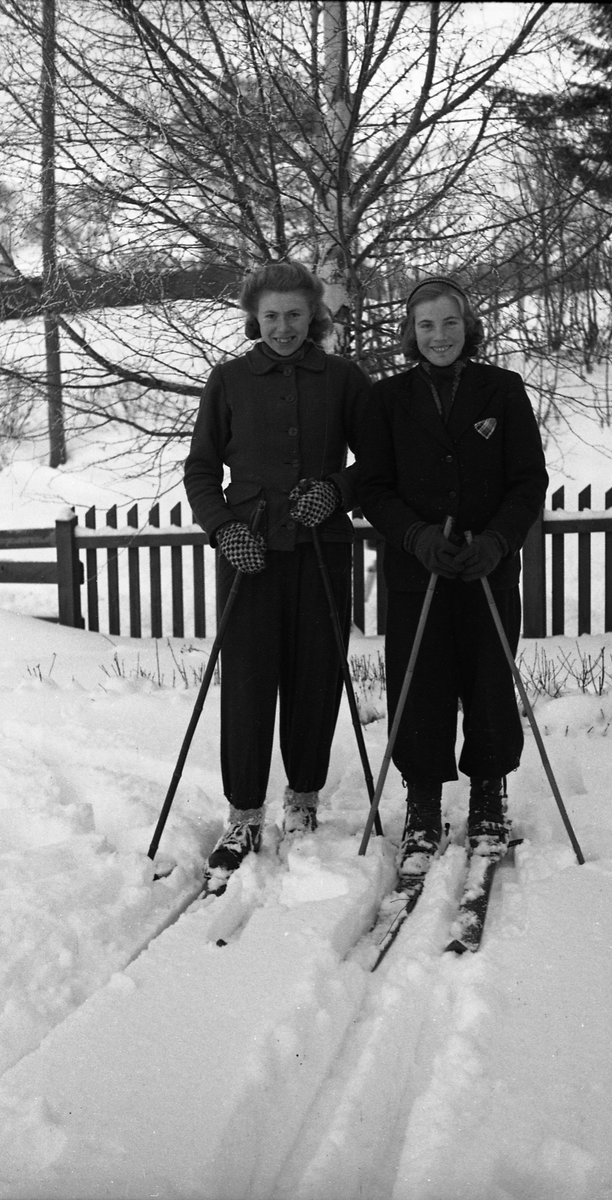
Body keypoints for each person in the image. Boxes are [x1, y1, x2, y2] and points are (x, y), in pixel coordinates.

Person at [184, 261, 370, 891]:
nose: (284, 328)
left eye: (295, 315)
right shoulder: (229, 379)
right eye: (271, 316)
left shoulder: (343, 378)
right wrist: (223, 529)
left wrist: (338, 490)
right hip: (248, 554)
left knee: (316, 674)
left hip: (320, 547)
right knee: (247, 681)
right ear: (254, 318)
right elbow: (202, 470)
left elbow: (377, 462)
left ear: (314, 315)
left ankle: (304, 797)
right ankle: (242, 813)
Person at [357, 277, 548, 867]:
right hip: (419, 573)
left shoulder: (502, 389)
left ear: (468, 326)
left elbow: (528, 480)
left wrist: (497, 540)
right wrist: (414, 536)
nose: (439, 336)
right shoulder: (387, 399)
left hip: (486, 570)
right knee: (420, 684)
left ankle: (489, 794)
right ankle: (422, 800)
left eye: (449, 323)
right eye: (426, 325)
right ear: (410, 334)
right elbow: (373, 486)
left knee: (490, 679)